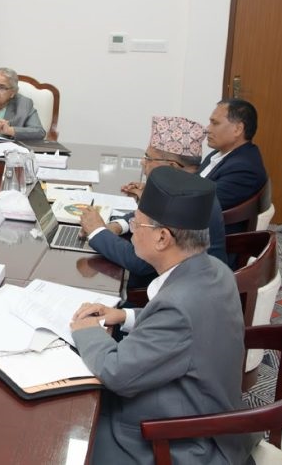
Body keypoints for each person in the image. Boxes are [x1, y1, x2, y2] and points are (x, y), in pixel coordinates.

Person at [70, 166, 259, 464]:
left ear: (162, 238)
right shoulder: (214, 269)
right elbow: (185, 327)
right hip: (203, 409)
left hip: (180, 441)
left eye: (138, 223)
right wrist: (125, 316)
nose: (132, 227)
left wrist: (86, 330)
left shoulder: (178, 307)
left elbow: (116, 372)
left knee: (69, 428)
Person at [80, 116, 229, 288]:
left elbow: (140, 262)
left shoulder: (187, 200)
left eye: (148, 158)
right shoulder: (186, 187)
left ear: (172, 166)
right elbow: (149, 216)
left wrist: (97, 231)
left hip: (178, 291)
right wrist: (118, 226)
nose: (143, 162)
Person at [199, 98, 268, 233]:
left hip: (209, 237)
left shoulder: (244, 169)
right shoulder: (221, 153)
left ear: (237, 129)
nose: (208, 129)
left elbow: (202, 205)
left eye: (215, 123)